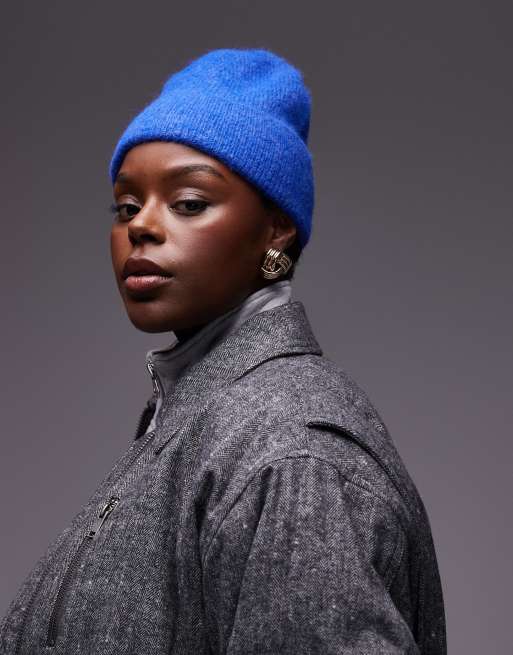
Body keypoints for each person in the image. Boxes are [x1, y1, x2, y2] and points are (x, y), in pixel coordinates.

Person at [0, 48, 447, 654]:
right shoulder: (200, 420)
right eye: (126, 206)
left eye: (188, 202)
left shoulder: (288, 453)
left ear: (277, 228)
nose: (140, 227)